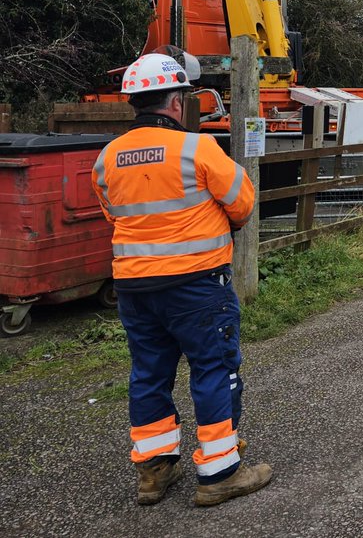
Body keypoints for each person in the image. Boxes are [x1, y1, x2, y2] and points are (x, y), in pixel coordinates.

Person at [91, 51, 272, 507]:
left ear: (136, 102)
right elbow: (242, 204)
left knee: (149, 374)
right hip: (196, 284)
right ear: (175, 101)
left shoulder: (107, 157)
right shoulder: (198, 148)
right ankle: (220, 473)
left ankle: (153, 473)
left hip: (134, 287)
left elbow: (113, 212)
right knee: (213, 368)